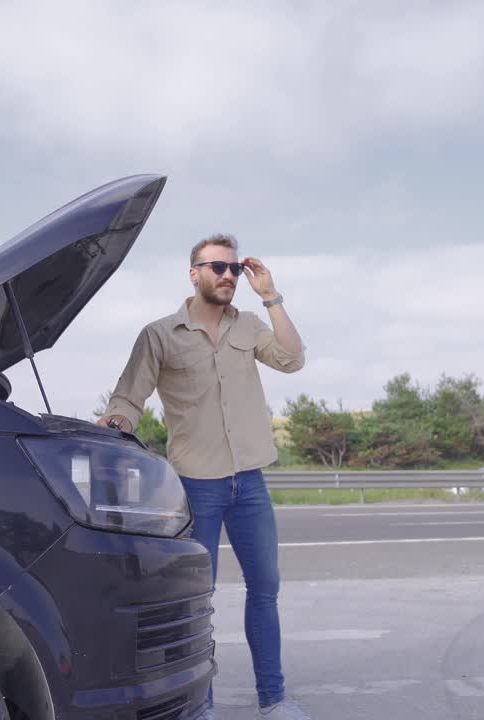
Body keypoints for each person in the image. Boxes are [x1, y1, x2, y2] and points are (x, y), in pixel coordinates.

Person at [100, 233, 310, 719]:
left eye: (234, 268)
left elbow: (293, 359)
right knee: (197, 602)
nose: (227, 276)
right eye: (217, 267)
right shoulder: (159, 334)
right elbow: (128, 397)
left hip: (249, 483)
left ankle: (274, 699)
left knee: (265, 591)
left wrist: (271, 295)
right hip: (197, 485)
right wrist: (118, 422)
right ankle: (200, 705)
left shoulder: (251, 324)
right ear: (193, 273)